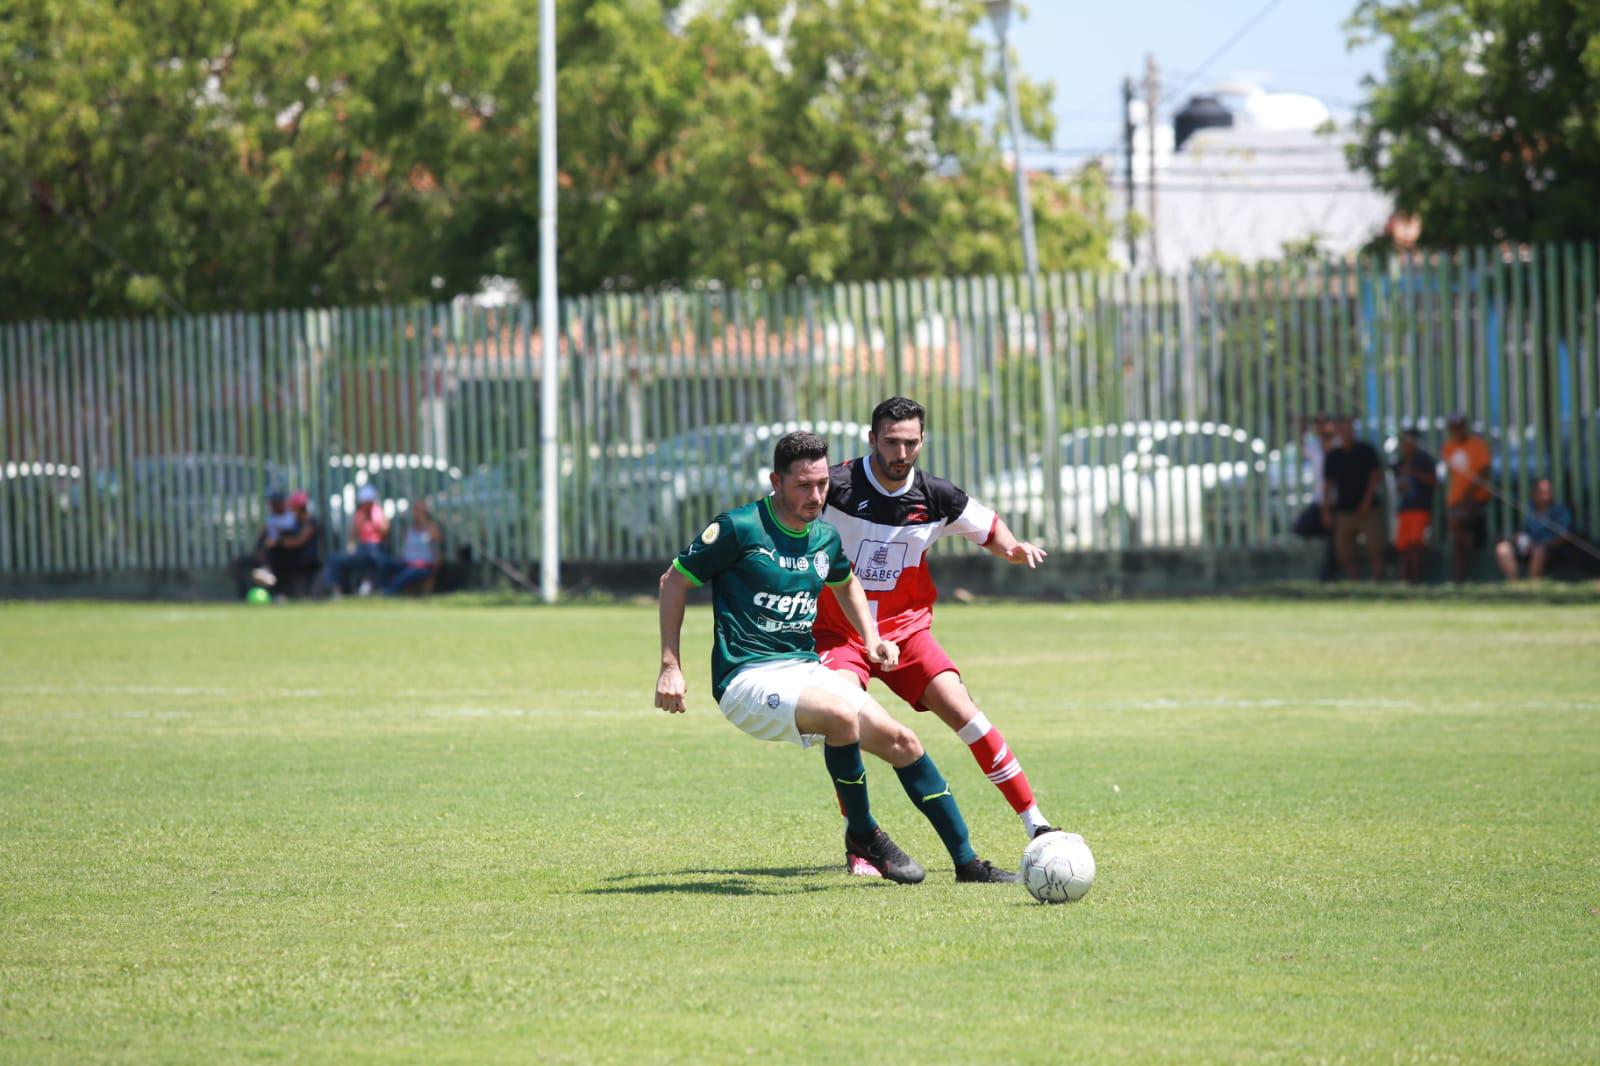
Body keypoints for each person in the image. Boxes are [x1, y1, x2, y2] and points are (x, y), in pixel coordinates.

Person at [655, 430, 1019, 885]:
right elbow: (674, 580)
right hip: (746, 678)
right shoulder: (738, 528)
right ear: (776, 481)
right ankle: (864, 834)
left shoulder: (824, 537)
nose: (816, 496)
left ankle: (968, 864)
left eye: (822, 484)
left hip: (803, 669)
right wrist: (671, 666)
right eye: (803, 485)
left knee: (903, 741)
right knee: (841, 716)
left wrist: (871, 638)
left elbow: (846, 582)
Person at [810, 395, 1064, 880]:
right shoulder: (836, 487)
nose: (901, 452)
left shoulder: (937, 496)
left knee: (966, 712)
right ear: (872, 439)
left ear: (923, 441)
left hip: (906, 632)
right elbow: (788, 517)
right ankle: (860, 839)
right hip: (838, 633)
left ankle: (1037, 823)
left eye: (911, 443)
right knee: (843, 720)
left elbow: (990, 528)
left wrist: (1012, 548)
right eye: (891, 442)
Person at [1321, 416, 1386, 581]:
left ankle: (1377, 579)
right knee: (1344, 550)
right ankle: (1354, 581)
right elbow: (1328, 485)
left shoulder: (1366, 451)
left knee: (1375, 546)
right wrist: (1326, 510)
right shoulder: (1333, 456)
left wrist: (1366, 502)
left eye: (1349, 430)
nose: (1347, 433)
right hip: (1344, 509)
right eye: (1343, 430)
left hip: (1368, 509)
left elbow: (1374, 478)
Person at [1441, 414, 1492, 583]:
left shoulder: (1478, 445)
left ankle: (1474, 576)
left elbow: (1484, 471)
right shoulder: (1448, 446)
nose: (1457, 431)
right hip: (1456, 500)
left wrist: (1467, 497)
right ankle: (1458, 578)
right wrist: (1459, 498)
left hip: (1476, 499)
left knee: (1470, 537)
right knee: (1458, 539)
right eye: (1453, 428)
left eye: (1460, 427)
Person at [320, 484, 392, 596]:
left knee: (376, 561)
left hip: (376, 549)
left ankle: (371, 587)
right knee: (334, 559)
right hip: (362, 549)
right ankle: (335, 590)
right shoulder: (359, 514)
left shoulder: (379, 513)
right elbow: (352, 536)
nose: (366, 505)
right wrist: (351, 549)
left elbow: (385, 532)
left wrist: (374, 519)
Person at [1495, 479, 1574, 581]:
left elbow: (1565, 536)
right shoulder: (1528, 509)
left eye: (1546, 492)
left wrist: (1543, 545)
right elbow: (1522, 530)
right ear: (1533, 493)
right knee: (1502, 548)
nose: (1543, 495)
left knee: (1538, 550)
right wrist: (1517, 538)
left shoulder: (1560, 511)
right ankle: (1514, 584)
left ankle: (1532, 585)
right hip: (1526, 547)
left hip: (1549, 549)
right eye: (1539, 492)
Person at [1292, 413, 1339, 581]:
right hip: (1320, 500)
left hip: (1337, 501)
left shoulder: (1338, 445)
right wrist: (1300, 426)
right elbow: (1301, 444)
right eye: (1317, 424)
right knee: (1302, 527)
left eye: (1324, 422)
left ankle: (1328, 576)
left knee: (1334, 543)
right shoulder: (1315, 446)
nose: (1321, 427)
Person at [1391, 427, 1437, 584]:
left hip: (1420, 508)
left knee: (1415, 545)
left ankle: (1416, 579)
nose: (1406, 445)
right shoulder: (1400, 462)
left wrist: (1414, 472)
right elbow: (1398, 488)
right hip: (1404, 509)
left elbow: (1433, 480)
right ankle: (1404, 579)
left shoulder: (1423, 460)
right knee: (1402, 546)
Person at [379, 499, 441, 596]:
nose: (417, 514)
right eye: (416, 511)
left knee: (407, 573)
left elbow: (438, 548)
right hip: (407, 563)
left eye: (420, 511)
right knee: (383, 563)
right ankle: (379, 588)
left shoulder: (431, 528)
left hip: (423, 566)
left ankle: (387, 592)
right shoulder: (410, 528)